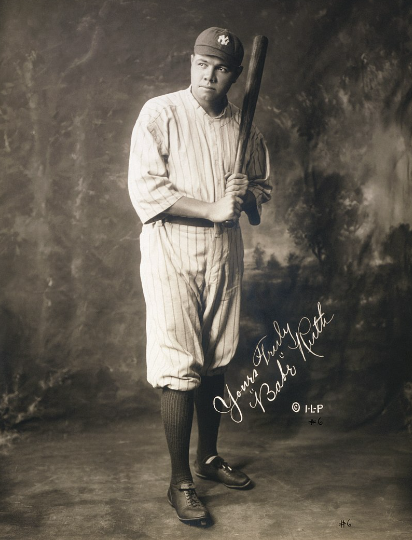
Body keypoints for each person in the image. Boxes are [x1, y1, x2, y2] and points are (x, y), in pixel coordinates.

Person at [128, 27, 271, 525]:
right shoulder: (160, 113)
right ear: (191, 61)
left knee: (216, 358)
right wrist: (212, 206)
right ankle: (179, 480)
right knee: (178, 363)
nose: (209, 75)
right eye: (202, 64)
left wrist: (245, 195)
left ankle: (208, 459)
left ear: (234, 75)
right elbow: (147, 192)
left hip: (222, 255)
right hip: (171, 252)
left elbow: (257, 202)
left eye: (222, 68)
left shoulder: (244, 128)